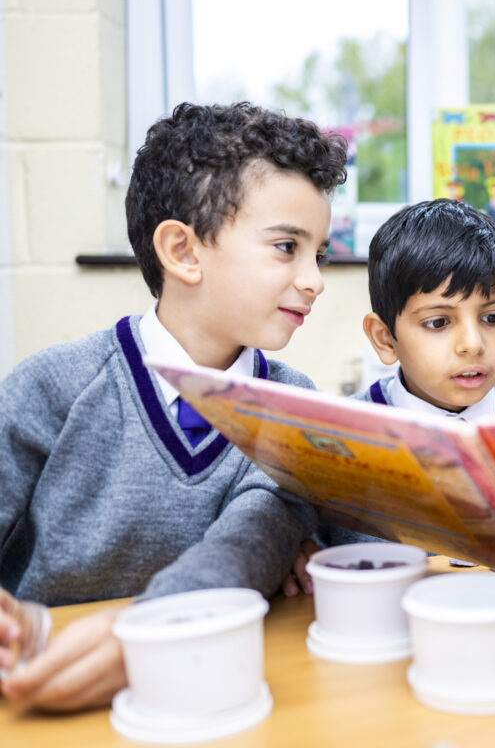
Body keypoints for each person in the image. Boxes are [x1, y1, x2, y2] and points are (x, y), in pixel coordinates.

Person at [0, 101, 348, 709]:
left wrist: (149, 631)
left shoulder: (294, 408)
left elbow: (244, 546)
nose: (314, 279)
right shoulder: (49, 389)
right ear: (183, 252)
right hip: (40, 683)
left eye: (318, 254)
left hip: (203, 684)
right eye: (287, 247)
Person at [356, 197, 495, 416]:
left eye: (492, 318)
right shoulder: (346, 433)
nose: (473, 345)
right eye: (438, 323)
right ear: (384, 338)